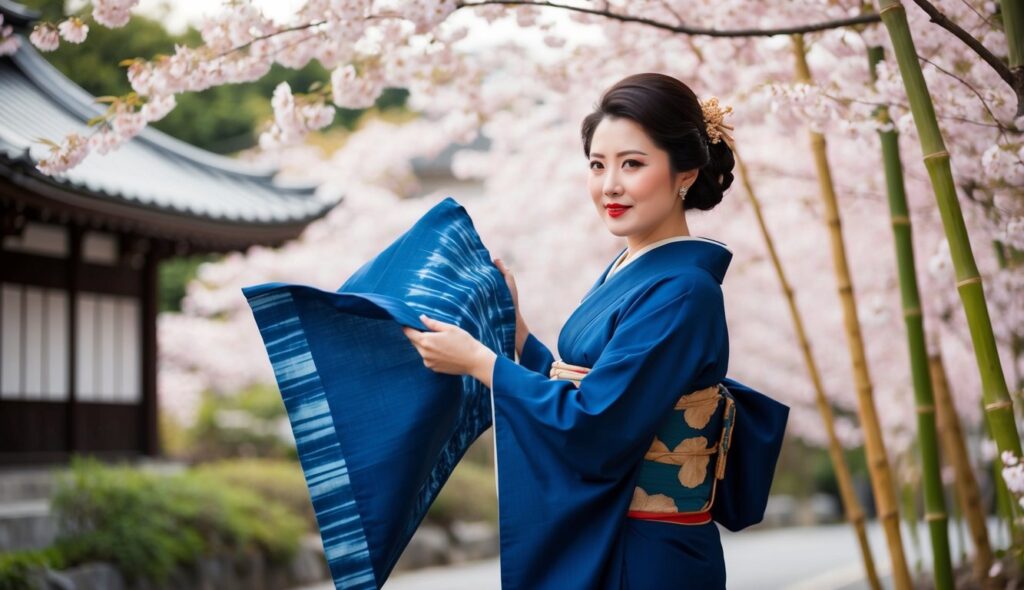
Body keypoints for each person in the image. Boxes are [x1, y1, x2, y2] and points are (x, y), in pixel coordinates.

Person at [400, 73, 788, 589]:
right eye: (597, 165)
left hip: (649, 554)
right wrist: (521, 337)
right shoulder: (633, 269)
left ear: (685, 174)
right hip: (617, 535)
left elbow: (597, 424)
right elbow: (591, 389)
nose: (610, 185)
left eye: (632, 164)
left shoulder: (685, 291)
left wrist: (481, 363)